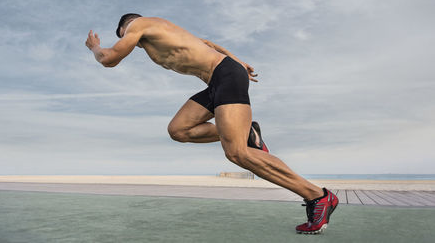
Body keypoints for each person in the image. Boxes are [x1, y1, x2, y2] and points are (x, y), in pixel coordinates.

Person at [85, 14, 338, 234]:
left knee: (237, 153)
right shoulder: (164, 31)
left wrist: (95, 47)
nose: (129, 42)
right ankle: (248, 132)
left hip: (223, 75)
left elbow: (109, 58)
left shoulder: (137, 25)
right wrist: (238, 60)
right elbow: (206, 43)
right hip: (219, 79)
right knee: (179, 130)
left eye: (123, 35)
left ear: (123, 27)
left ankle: (318, 196)